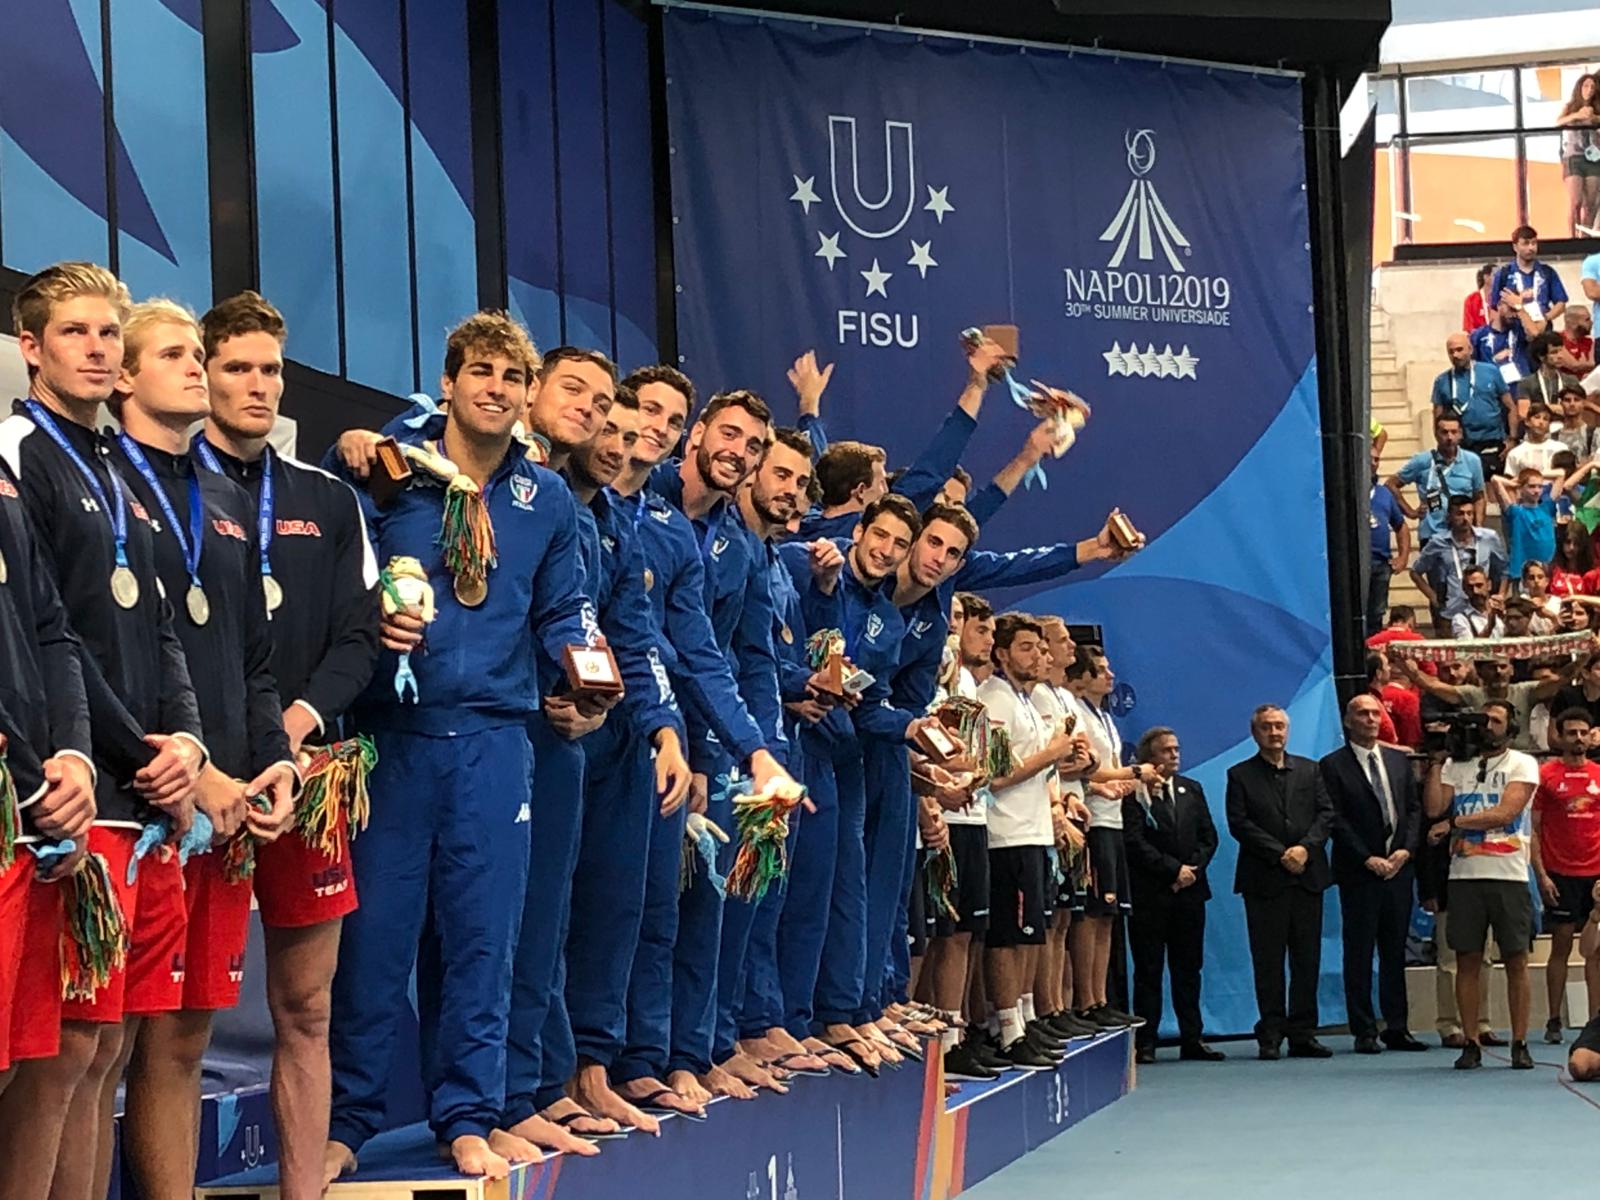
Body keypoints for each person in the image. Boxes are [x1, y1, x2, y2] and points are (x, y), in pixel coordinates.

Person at [323, 312, 601, 1180]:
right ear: (447, 384)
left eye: (511, 378)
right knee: (373, 944)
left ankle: (468, 1114)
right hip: (392, 739)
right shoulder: (391, 472)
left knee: (486, 940)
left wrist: (586, 673)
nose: (495, 388)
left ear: (525, 396)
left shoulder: (546, 498)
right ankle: (349, 1120)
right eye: (480, 372)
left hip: (494, 742)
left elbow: (564, 606)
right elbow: (340, 580)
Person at [0, 263, 206, 1200]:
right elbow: (56, 634)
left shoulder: (122, 466)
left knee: (103, 1049)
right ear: (30, 348)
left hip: (129, 786)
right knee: (59, 1055)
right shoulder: (22, 451)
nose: (95, 348)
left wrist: (186, 741)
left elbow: (156, 621)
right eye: (74, 332)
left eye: (107, 332)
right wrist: (116, 751)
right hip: (75, 789)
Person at [109, 301, 300, 1200]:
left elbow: (255, 660)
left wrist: (272, 763)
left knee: (187, 1036)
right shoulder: (107, 482)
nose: (196, 368)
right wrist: (199, 773)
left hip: (226, 806)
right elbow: (119, 652)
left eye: (198, 353)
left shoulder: (220, 496)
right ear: (124, 377)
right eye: (176, 354)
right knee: (106, 1041)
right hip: (149, 798)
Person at [193, 292, 381, 1197]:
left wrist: (295, 727)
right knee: (176, 1022)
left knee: (306, 1008)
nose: (258, 385)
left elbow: (361, 639)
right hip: (202, 784)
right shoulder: (164, 484)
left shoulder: (326, 498)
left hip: (308, 777)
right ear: (203, 372)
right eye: (237, 367)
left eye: (270, 368)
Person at [976, 615, 1084, 1069]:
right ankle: (1006, 1028)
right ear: (1001, 654)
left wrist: (1061, 794)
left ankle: (1023, 1019)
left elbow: (1039, 769)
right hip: (1007, 833)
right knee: (1007, 936)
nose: (1038, 657)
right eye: (1026, 648)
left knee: (1030, 934)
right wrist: (1053, 754)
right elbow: (997, 777)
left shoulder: (1025, 701)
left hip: (1035, 830)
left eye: (1040, 648)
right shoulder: (994, 699)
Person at [1422, 698, 1540, 1070]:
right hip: (1464, 876)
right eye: (1482, 720)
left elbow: (1506, 812)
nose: (1486, 726)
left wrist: (1454, 825)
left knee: (1516, 959)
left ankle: (1520, 1041)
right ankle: (1470, 1041)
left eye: (1494, 720)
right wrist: (1437, 761)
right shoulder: (1458, 765)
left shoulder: (1523, 763)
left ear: (1511, 727)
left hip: (1509, 873)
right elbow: (1433, 808)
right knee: (1467, 959)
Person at [1225, 705, 1333, 1060]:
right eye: (1267, 727)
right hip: (1264, 879)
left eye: (1280, 726)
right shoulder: (1239, 774)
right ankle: (1270, 1033)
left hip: (1307, 878)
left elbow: (1325, 814)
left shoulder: (1311, 770)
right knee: (1268, 961)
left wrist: (1304, 849)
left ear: (1288, 730)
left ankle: (1303, 1033)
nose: (1274, 732)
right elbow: (1240, 823)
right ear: (1255, 733)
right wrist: (1280, 853)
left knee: (1307, 960)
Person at [1321, 695, 1425, 1054]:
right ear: (1348, 721)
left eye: (1374, 713)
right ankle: (1364, 1029)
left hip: (1398, 869)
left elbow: (1413, 810)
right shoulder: (1332, 765)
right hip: (1360, 872)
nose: (1370, 719)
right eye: (1362, 714)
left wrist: (1406, 850)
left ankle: (1397, 1027)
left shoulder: (1398, 760)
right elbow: (1335, 818)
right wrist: (1367, 858)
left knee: (1395, 951)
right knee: (1360, 952)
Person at [1122, 727, 1221, 1064]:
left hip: (1190, 895)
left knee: (1189, 969)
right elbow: (1134, 841)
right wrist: (1172, 870)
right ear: (1150, 757)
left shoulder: (1191, 789)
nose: (1175, 755)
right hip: (1151, 895)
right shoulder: (1133, 793)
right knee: (1148, 970)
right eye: (1167, 750)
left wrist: (1191, 870)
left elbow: (1208, 837)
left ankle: (1192, 1038)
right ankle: (1146, 1041)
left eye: (1176, 749)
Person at [1531, 708, 1600, 1043]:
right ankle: (1554, 1020)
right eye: (1572, 732)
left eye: (1583, 732)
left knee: (1596, 951)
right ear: (1559, 736)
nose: (1578, 738)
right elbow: (1534, 828)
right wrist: (1541, 875)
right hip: (1560, 873)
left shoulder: (1599, 774)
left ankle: (1595, 1022)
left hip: (1596, 874)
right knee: (1560, 946)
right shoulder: (1545, 775)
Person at [1409, 494, 1507, 634]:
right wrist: (1433, 597)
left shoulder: (1488, 537)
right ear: (1449, 516)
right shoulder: (1438, 542)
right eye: (1460, 514)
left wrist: (1501, 594)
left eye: (1469, 513)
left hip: (1481, 610)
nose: (1465, 518)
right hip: (1451, 611)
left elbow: (1504, 569)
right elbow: (1415, 572)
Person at [1388, 413, 1485, 547]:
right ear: (1436, 434)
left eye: (1454, 432)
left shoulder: (1472, 461)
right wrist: (1411, 512)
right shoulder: (1422, 461)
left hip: (1462, 533)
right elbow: (1391, 484)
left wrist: (1478, 527)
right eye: (1444, 432)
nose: (1449, 437)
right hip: (1432, 535)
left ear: (1461, 434)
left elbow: (1479, 496)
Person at [1431, 332, 1514, 464]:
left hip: (1492, 442)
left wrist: (1512, 439)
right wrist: (1444, 446)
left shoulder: (1491, 371)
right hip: (1461, 447)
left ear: (1470, 349)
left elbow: (1511, 407)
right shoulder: (1442, 381)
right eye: (1451, 352)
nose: (1455, 355)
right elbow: (1437, 417)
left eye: (1459, 349)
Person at [1491, 225, 1567, 336]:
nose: (1531, 248)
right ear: (1515, 247)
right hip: (1514, 332)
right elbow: (1494, 307)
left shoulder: (1547, 272)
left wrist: (1545, 318)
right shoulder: (1504, 273)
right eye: (1525, 243)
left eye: (1534, 243)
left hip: (1542, 331)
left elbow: (1561, 303)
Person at [1368, 444, 1409, 636]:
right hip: (1353, 564)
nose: (1373, 463)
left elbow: (1401, 526)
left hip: (1380, 563)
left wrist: (1403, 557)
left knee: (1376, 613)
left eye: (1376, 459)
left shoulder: (1384, 494)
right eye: (1369, 458)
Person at [1559, 74, 1600, 234]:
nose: (1589, 90)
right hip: (1574, 156)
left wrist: (1594, 117)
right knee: (1575, 201)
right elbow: (1558, 121)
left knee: (1590, 203)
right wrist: (1577, 115)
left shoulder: (1596, 108)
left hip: (1593, 157)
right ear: (1579, 88)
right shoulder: (1570, 107)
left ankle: (1585, 237)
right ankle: (1571, 238)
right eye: (1586, 86)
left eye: (1592, 87)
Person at [1471, 294, 1533, 393]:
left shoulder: (1521, 330)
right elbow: (1473, 365)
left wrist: (1521, 309)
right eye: (1511, 308)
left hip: (1521, 388)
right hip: (1493, 389)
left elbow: (1535, 334)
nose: (1514, 314)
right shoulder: (1479, 335)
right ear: (1499, 306)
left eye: (1516, 310)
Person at [1504, 402, 1565, 481]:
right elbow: (1510, 481)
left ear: (1549, 425)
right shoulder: (1515, 453)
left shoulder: (1560, 448)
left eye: (1545, 419)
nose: (1541, 422)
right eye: (1537, 417)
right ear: (1527, 421)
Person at [1449, 567, 1505, 641]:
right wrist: (1490, 626)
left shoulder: (1499, 611)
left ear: (1489, 585)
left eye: (1479, 585)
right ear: (1464, 589)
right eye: (1470, 587)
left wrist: (1505, 618)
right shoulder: (1460, 619)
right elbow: (1469, 647)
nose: (1475, 591)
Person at [1560, 305, 1596, 376]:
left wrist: (1583, 365)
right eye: (1587, 320)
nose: (1591, 323)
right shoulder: (1558, 339)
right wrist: (1588, 366)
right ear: (1573, 323)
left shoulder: (1589, 342)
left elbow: (1594, 365)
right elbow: (1574, 366)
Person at [1463, 263, 1498, 334]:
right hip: (1479, 338)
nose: (1499, 279)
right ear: (1486, 277)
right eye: (1495, 275)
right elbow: (1468, 327)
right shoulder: (1471, 300)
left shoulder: (1502, 297)